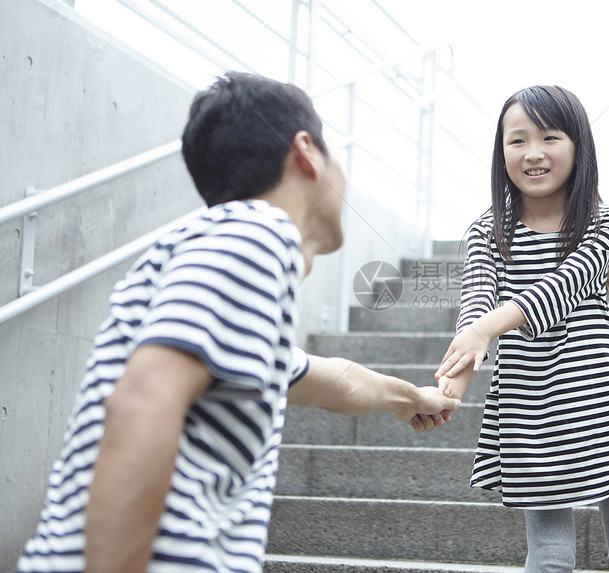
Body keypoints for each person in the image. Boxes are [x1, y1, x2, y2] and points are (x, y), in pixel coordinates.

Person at [17, 72, 460, 573]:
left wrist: (412, 400)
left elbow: (333, 381)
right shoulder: (256, 234)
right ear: (306, 152)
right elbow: (143, 401)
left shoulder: (227, 266)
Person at [434, 86, 609, 573]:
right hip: (527, 411)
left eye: (550, 137)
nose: (533, 153)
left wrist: (488, 328)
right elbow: (475, 302)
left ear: (578, 148)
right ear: (501, 153)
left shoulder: (605, 224)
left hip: (599, 403)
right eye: (517, 141)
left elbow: (561, 288)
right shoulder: (486, 231)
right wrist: (452, 381)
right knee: (550, 557)